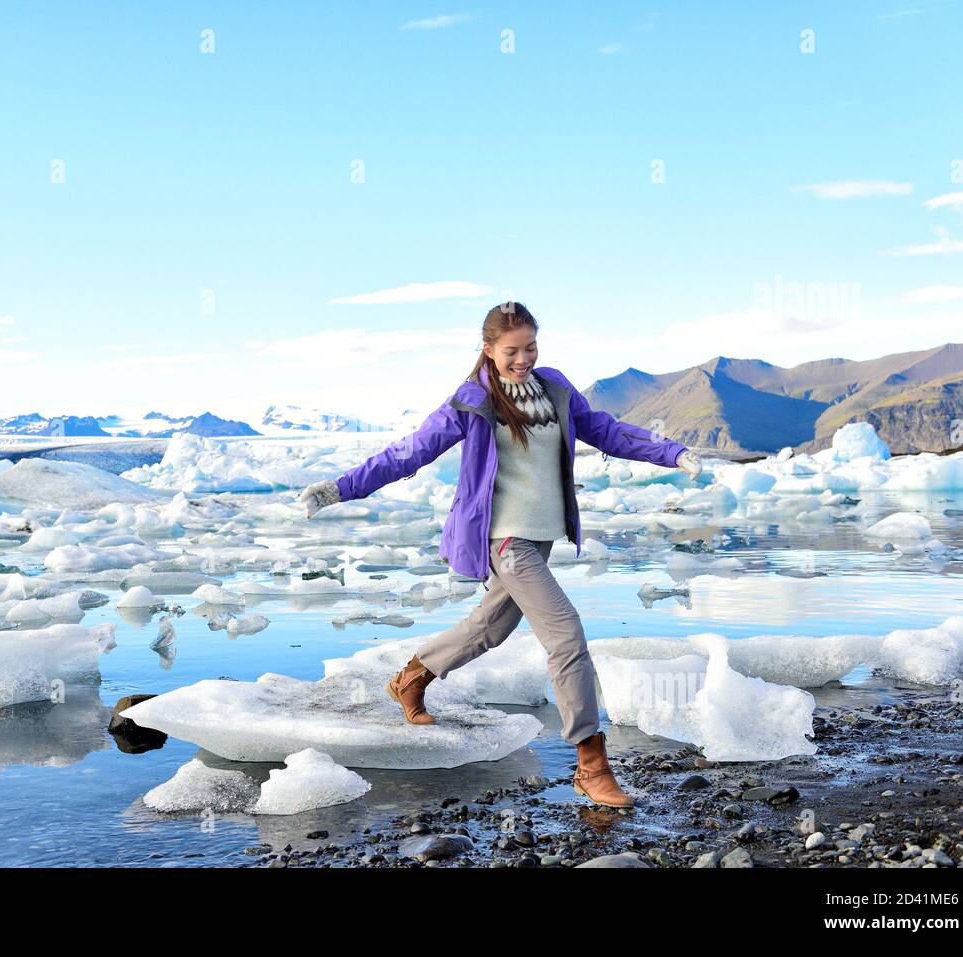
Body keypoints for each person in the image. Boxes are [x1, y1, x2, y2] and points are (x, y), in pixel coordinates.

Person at [298, 302, 703, 808]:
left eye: (530, 346)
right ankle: (591, 763)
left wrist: (672, 452)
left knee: (490, 628)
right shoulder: (472, 400)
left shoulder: (553, 386)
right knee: (566, 635)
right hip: (504, 540)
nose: (523, 358)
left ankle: (411, 678)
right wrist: (340, 489)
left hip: (540, 537)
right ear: (488, 349)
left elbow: (607, 430)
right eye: (511, 350)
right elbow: (409, 452)